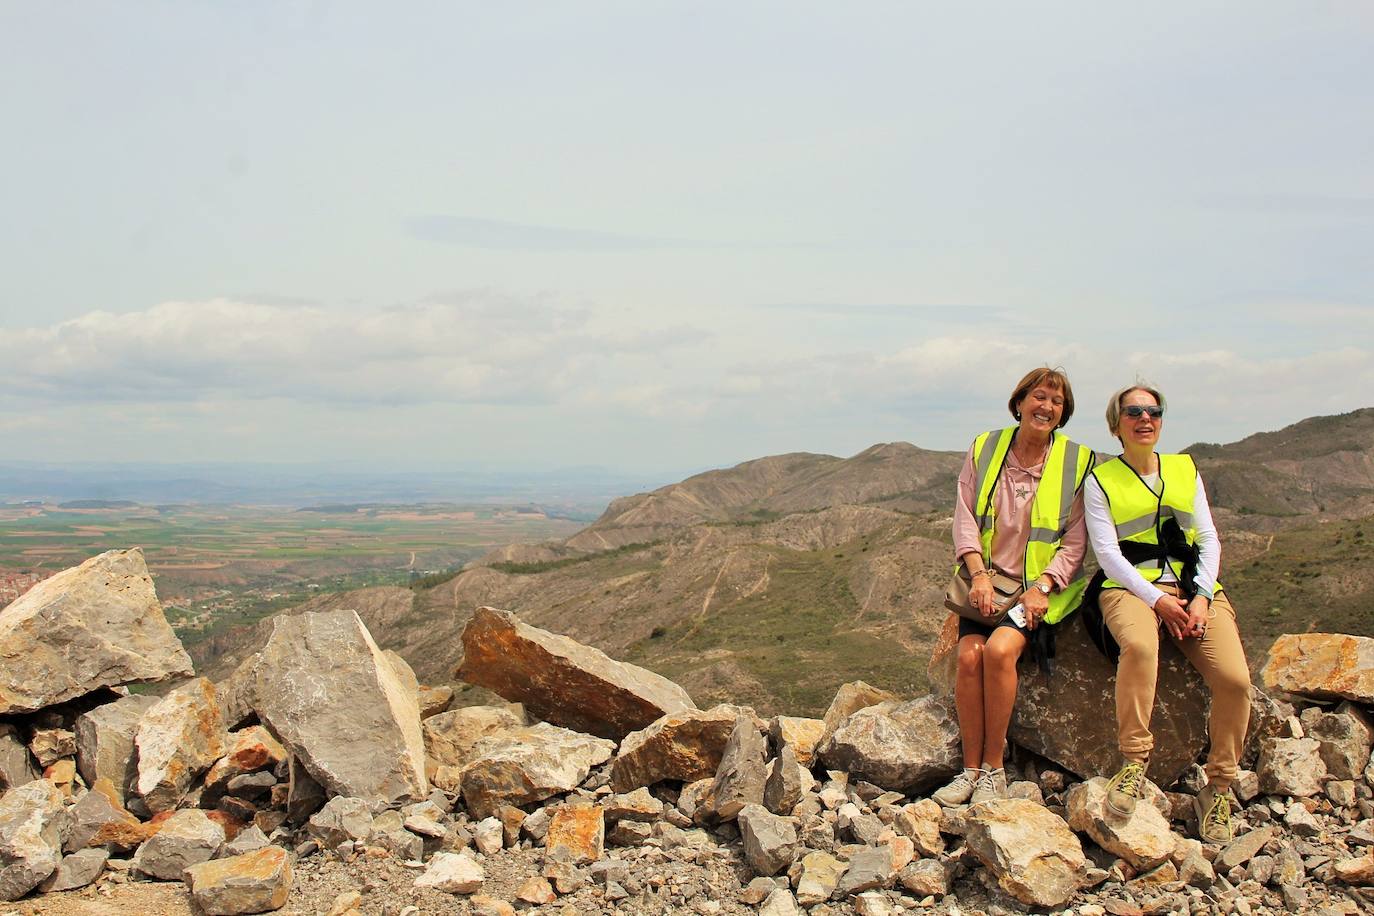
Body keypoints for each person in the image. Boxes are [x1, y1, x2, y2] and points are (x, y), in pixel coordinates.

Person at [1084, 384, 1251, 844]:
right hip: (1132, 588)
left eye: (1153, 411)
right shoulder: (1101, 480)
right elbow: (1108, 555)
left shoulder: (1184, 469)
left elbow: (1209, 538)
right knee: (1139, 646)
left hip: (1195, 588)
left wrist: (1199, 597)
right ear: (1116, 424)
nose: (1145, 419)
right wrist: (1157, 600)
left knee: (1236, 681)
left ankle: (1217, 787)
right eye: (1133, 412)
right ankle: (1134, 760)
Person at [932, 368, 1095, 807]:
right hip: (987, 584)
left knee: (1001, 651)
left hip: (1040, 591)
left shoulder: (1078, 461)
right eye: (1038, 397)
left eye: (1056, 402)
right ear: (1019, 401)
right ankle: (968, 771)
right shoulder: (986, 448)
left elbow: (1077, 540)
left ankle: (993, 769)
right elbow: (964, 514)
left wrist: (1043, 585)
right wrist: (978, 574)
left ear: (1063, 414)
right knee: (969, 657)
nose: (1046, 407)